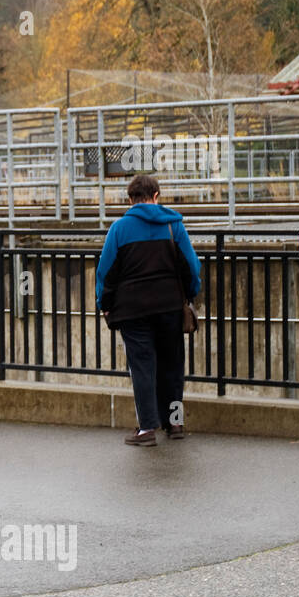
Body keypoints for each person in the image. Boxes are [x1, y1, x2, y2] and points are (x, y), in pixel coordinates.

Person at [95, 174, 201, 446]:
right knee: (173, 366)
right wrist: (189, 294)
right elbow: (192, 267)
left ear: (130, 200)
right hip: (169, 308)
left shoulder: (119, 229)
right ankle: (175, 423)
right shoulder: (173, 226)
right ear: (156, 196)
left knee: (143, 368)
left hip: (133, 311)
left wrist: (104, 305)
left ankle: (147, 430)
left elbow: (106, 273)